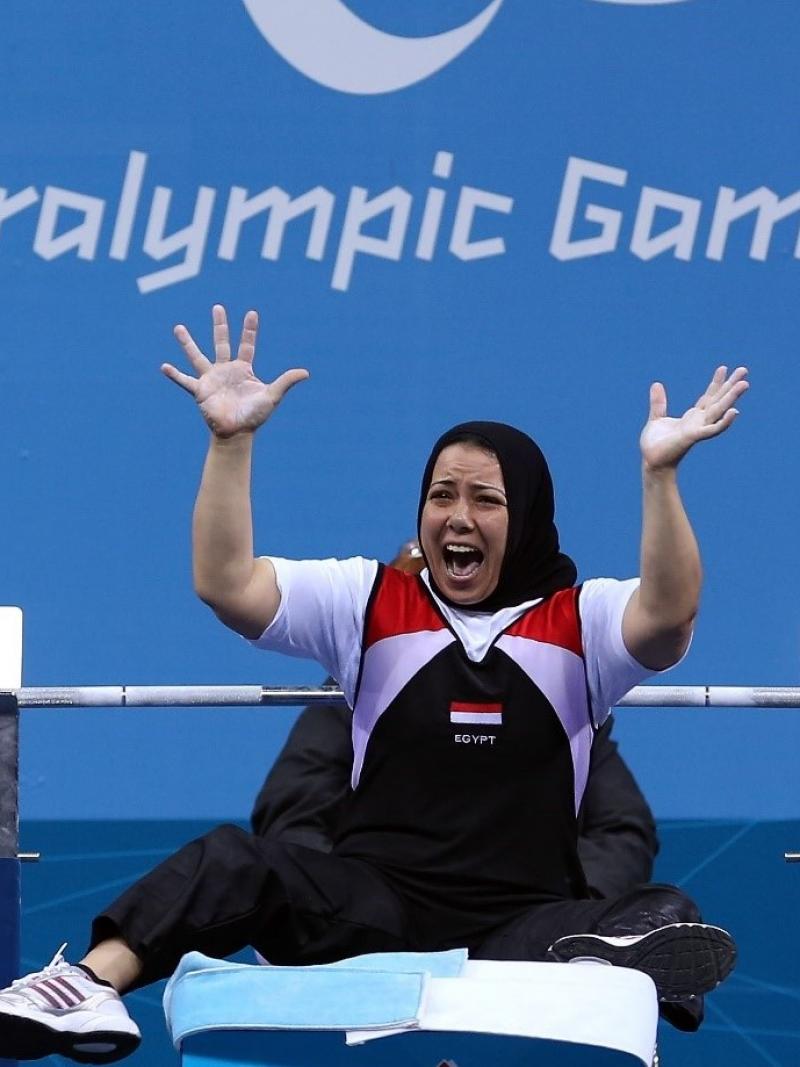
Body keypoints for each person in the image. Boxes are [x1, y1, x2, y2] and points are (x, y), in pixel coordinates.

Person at [0, 306, 747, 1063]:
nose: (458, 516)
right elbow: (225, 582)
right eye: (441, 494)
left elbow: (670, 612)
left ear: (527, 518)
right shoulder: (367, 601)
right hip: (372, 909)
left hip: (523, 922)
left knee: (663, 913)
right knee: (233, 859)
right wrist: (231, 442)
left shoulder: (581, 622)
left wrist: (660, 476)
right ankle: (84, 986)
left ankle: (591, 972)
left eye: (486, 499)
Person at [251, 540, 661, 901]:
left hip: (531, 921)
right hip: (377, 920)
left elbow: (621, 830)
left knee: (665, 914)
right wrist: (342, 905)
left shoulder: (561, 690)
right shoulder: (351, 698)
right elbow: (292, 817)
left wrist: (568, 907)